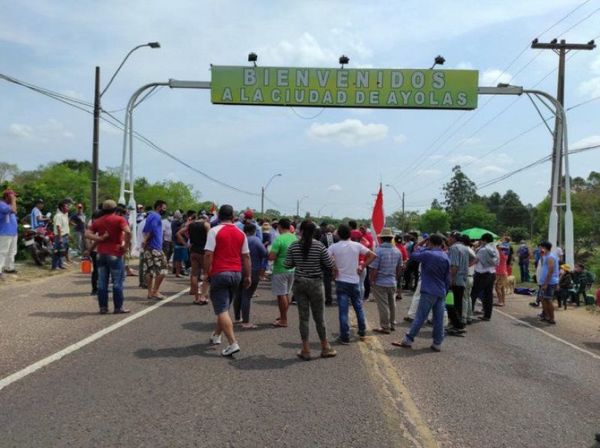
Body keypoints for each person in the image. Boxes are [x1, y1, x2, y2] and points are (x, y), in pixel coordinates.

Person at [284, 220, 337, 359]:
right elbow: (329, 263)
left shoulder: (294, 246)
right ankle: (325, 347)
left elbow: (287, 265)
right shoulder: (319, 246)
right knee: (319, 318)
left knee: (304, 318)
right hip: (316, 283)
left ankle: (306, 349)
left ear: (300, 231)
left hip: (300, 283)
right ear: (314, 232)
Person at [203, 204, 251, 357]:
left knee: (222, 309)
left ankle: (232, 343)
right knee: (224, 306)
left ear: (219, 217)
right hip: (236, 273)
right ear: (233, 217)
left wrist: (206, 272)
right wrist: (248, 275)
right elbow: (246, 257)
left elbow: (208, 254)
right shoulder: (241, 233)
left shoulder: (214, 231)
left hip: (220, 272)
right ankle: (216, 335)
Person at [392, 234, 449, 352]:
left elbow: (413, 254)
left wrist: (421, 243)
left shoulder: (428, 254)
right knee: (438, 319)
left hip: (428, 290)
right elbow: (448, 277)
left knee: (420, 316)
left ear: (430, 243)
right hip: (441, 290)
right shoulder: (445, 256)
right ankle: (437, 343)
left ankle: (408, 339)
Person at [328, 223, 376, 344]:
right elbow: (373, 255)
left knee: (343, 311)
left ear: (338, 234)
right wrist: (362, 265)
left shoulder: (334, 247)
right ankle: (362, 331)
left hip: (341, 281)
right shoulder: (357, 245)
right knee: (358, 307)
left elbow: (326, 259)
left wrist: (334, 268)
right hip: (354, 281)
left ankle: (344, 336)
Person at [86, 200, 131, 314]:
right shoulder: (120, 219)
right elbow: (128, 232)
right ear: (115, 209)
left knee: (102, 282)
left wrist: (100, 239)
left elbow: (87, 234)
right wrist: (125, 247)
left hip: (101, 254)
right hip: (115, 253)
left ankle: (103, 308)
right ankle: (118, 307)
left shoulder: (98, 221)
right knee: (117, 282)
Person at [233, 222, 267, 328]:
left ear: (244, 231)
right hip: (253, 271)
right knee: (247, 295)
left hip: (238, 270)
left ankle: (237, 317)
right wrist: (263, 268)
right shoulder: (256, 241)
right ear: (254, 231)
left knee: (238, 294)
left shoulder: (239, 240)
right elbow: (265, 254)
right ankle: (246, 321)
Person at [370, 228, 403, 334]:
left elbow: (374, 269)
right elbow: (399, 268)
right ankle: (392, 324)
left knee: (383, 305)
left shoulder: (378, 251)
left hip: (380, 282)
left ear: (382, 238)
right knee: (392, 304)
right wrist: (396, 278)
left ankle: (385, 326)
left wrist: (372, 281)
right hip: (392, 281)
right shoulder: (397, 251)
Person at [269, 218, 296, 328]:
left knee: (281, 295)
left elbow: (272, 256)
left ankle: (284, 319)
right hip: (292, 270)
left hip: (280, 269)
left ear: (280, 227)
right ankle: (283, 316)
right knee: (286, 294)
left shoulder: (279, 239)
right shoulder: (295, 238)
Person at [179, 212, 210, 305]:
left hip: (193, 251)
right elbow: (210, 238)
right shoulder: (206, 224)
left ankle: (196, 297)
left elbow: (178, 233)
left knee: (194, 274)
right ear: (205, 219)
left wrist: (186, 244)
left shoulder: (191, 225)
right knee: (206, 274)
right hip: (203, 251)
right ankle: (203, 296)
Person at [447, 231, 474, 335]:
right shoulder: (465, 248)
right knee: (458, 303)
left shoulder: (454, 248)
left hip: (455, 279)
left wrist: (450, 279)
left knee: (450, 304)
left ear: (453, 238)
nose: (448, 239)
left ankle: (458, 325)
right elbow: (473, 259)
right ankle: (457, 324)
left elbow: (454, 266)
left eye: (449, 237)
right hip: (463, 278)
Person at [142, 200, 168, 300]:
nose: (164, 210)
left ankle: (150, 293)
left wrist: (145, 242)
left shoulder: (150, 216)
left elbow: (146, 230)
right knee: (163, 269)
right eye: (164, 208)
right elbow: (151, 230)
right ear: (158, 207)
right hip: (155, 247)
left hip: (149, 247)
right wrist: (146, 240)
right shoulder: (156, 216)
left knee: (149, 270)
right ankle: (155, 291)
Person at [470, 233, 499, 321]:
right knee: (488, 295)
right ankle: (487, 315)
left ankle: (469, 314)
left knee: (473, 294)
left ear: (484, 240)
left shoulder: (483, 250)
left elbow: (475, 260)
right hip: (492, 273)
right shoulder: (495, 249)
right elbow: (497, 262)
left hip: (481, 274)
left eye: (481, 240)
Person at [537, 241, 559, 324]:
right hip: (544, 281)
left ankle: (551, 318)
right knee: (543, 299)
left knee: (548, 300)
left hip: (549, 282)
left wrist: (546, 283)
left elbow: (550, 271)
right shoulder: (546, 256)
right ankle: (546, 316)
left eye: (541, 247)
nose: (540, 249)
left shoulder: (550, 257)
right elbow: (543, 266)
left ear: (544, 247)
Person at [0, 189, 18, 279]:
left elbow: (14, 211)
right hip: (4, 232)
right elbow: (14, 210)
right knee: (2, 252)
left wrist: (12, 201)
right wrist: (13, 200)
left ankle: (9, 268)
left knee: (12, 251)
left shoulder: (9, 205)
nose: (15, 198)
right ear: (7, 196)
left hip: (13, 232)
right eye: (13, 196)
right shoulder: (1, 204)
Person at [320, 224, 339, 306]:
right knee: (337, 280)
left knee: (327, 281)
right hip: (336, 262)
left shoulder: (322, 238)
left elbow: (320, 250)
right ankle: (339, 299)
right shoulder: (337, 238)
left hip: (326, 262)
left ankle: (328, 300)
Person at [51, 200, 71, 270]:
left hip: (65, 235)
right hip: (60, 236)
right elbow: (58, 227)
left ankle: (60, 264)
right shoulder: (58, 216)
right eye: (66, 206)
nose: (68, 208)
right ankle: (55, 266)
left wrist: (68, 235)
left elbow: (65, 226)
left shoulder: (65, 215)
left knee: (62, 251)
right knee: (57, 251)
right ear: (62, 208)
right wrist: (60, 238)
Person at [494, 242, 509, 307]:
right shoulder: (504, 253)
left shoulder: (501, 254)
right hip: (502, 272)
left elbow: (501, 258)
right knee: (501, 288)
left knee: (497, 288)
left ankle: (500, 301)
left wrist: (499, 250)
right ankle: (502, 301)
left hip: (501, 273)